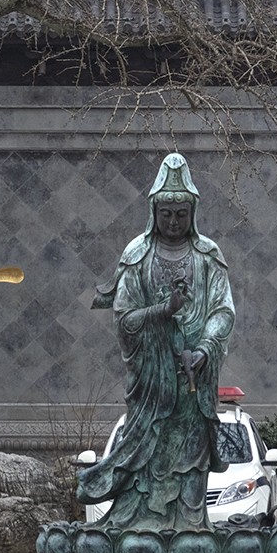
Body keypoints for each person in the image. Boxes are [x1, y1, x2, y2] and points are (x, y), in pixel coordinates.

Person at [76, 153, 235, 530]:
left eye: (182, 213)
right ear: (154, 211)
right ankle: (137, 523)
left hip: (193, 381)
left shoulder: (208, 255)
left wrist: (205, 348)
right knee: (147, 451)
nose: (175, 221)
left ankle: (192, 525)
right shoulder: (138, 254)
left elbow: (223, 311)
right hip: (152, 382)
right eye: (167, 213)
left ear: (193, 212)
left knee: (191, 456)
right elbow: (125, 318)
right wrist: (162, 311)